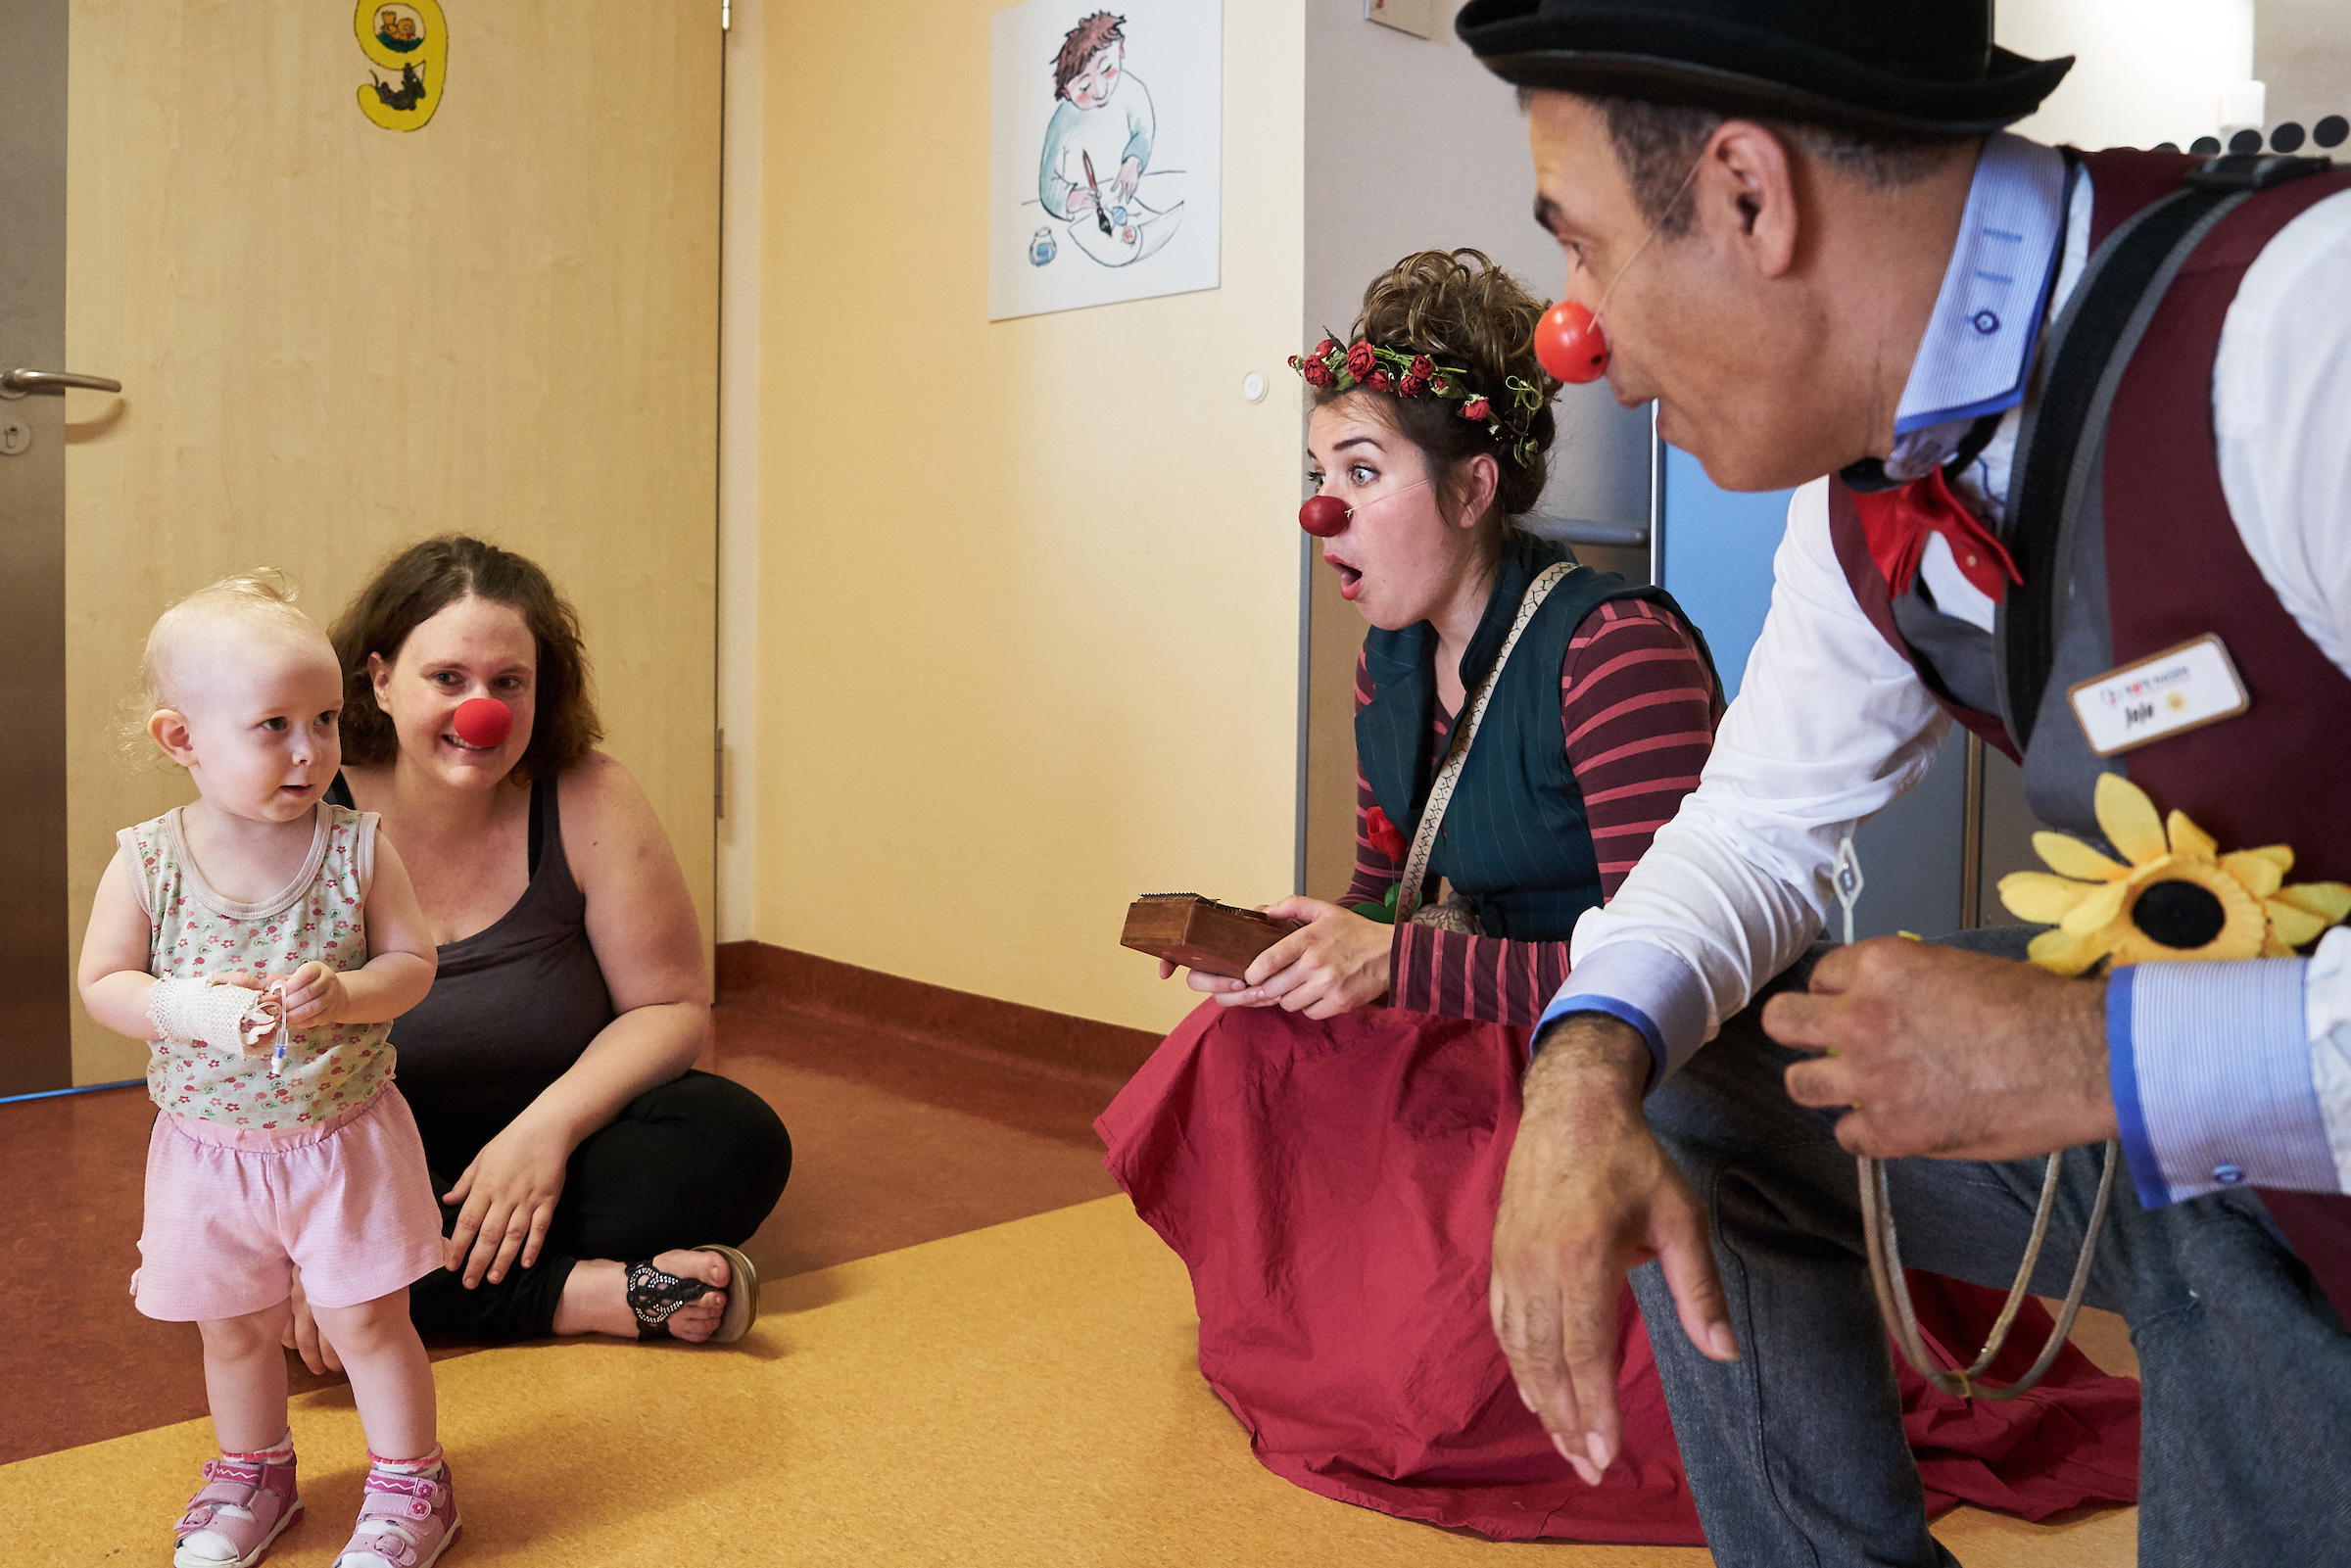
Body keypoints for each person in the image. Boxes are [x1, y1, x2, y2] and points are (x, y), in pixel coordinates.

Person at [1453, 2, 2351, 1561]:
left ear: (1750, 194)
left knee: (2213, 1187)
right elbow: (1751, 828)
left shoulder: (2306, 338)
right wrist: (1580, 1068)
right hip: (2205, 1119)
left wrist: (2107, 1057)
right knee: (1705, 1074)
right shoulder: (1868, 486)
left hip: (2293, 1182)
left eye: (1585, 247)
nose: (1575, 336)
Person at [1097, 251, 2137, 1543]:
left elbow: (1687, 968)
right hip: (1483, 1028)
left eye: (1361, 475)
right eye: (1319, 478)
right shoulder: (1387, 672)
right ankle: (1344, 1347)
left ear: (1473, 487)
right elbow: (1392, 899)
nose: (1326, 513)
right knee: (1237, 1040)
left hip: (1625, 1056)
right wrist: (1299, 949)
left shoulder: (1610, 644)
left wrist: (1398, 967)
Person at [282, 535, 792, 1361]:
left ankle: (394, 1287)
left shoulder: (590, 794)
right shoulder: (305, 815)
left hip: (557, 1135)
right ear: (378, 679)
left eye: (507, 683)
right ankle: (582, 1294)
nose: (481, 710)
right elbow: (254, 1054)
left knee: (736, 1138)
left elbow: (668, 1007)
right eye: (448, 677)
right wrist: (312, 1221)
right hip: (363, 1152)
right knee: (249, 1240)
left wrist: (542, 1134)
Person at [78, 573, 460, 1568]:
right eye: (274, 724)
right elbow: (104, 981)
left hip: (343, 1139)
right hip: (208, 1154)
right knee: (236, 1328)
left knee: (367, 1318)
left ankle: (412, 1482)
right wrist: (190, 1008)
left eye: (325, 718)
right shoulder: (149, 861)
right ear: (182, 739)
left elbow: (413, 965)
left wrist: (344, 993)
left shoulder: (357, 848)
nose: (309, 749)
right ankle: (255, 1472)